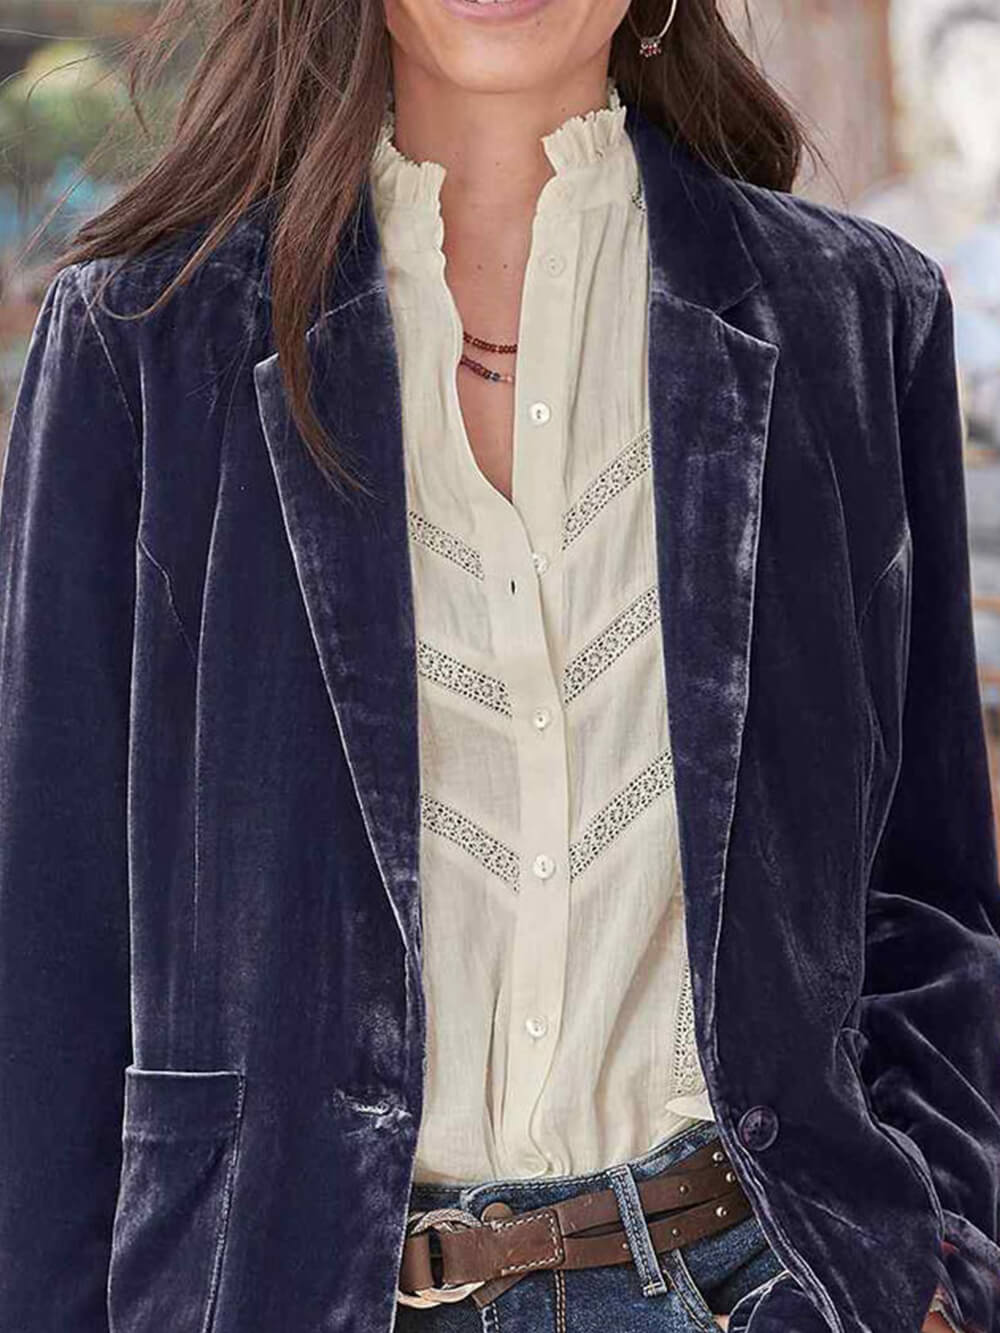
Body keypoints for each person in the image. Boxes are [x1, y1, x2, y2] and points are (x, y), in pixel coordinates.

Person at [0, 2, 997, 1331]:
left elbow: (927, 888)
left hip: (766, 1281)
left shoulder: (854, 321)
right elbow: (47, 939)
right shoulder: (143, 338)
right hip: (283, 1288)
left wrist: (945, 1269)